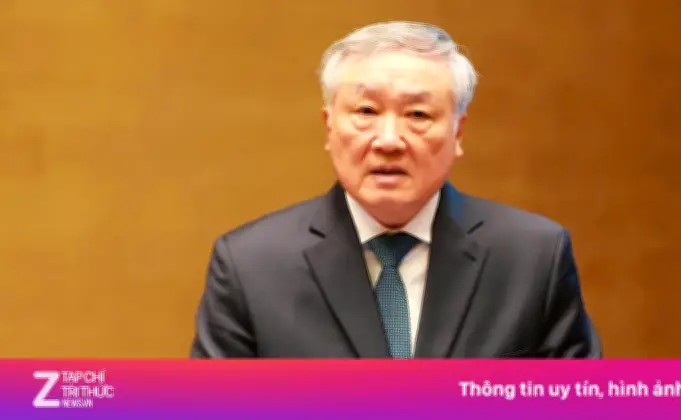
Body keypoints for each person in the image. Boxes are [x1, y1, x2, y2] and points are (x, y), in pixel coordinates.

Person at [190, 21, 601, 358]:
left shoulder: (532, 258)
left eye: (417, 115)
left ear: (458, 133)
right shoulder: (250, 266)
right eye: (366, 111)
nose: (388, 140)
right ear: (329, 127)